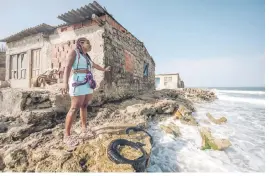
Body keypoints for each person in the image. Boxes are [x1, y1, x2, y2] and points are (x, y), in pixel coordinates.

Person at [60, 37, 111, 148]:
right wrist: (64, 83)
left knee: (84, 105)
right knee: (74, 108)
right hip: (78, 81)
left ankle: (84, 128)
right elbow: (67, 67)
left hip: (88, 81)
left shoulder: (86, 57)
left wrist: (104, 70)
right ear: (81, 43)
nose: (90, 44)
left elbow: (95, 65)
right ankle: (67, 135)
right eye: (88, 42)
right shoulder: (74, 53)